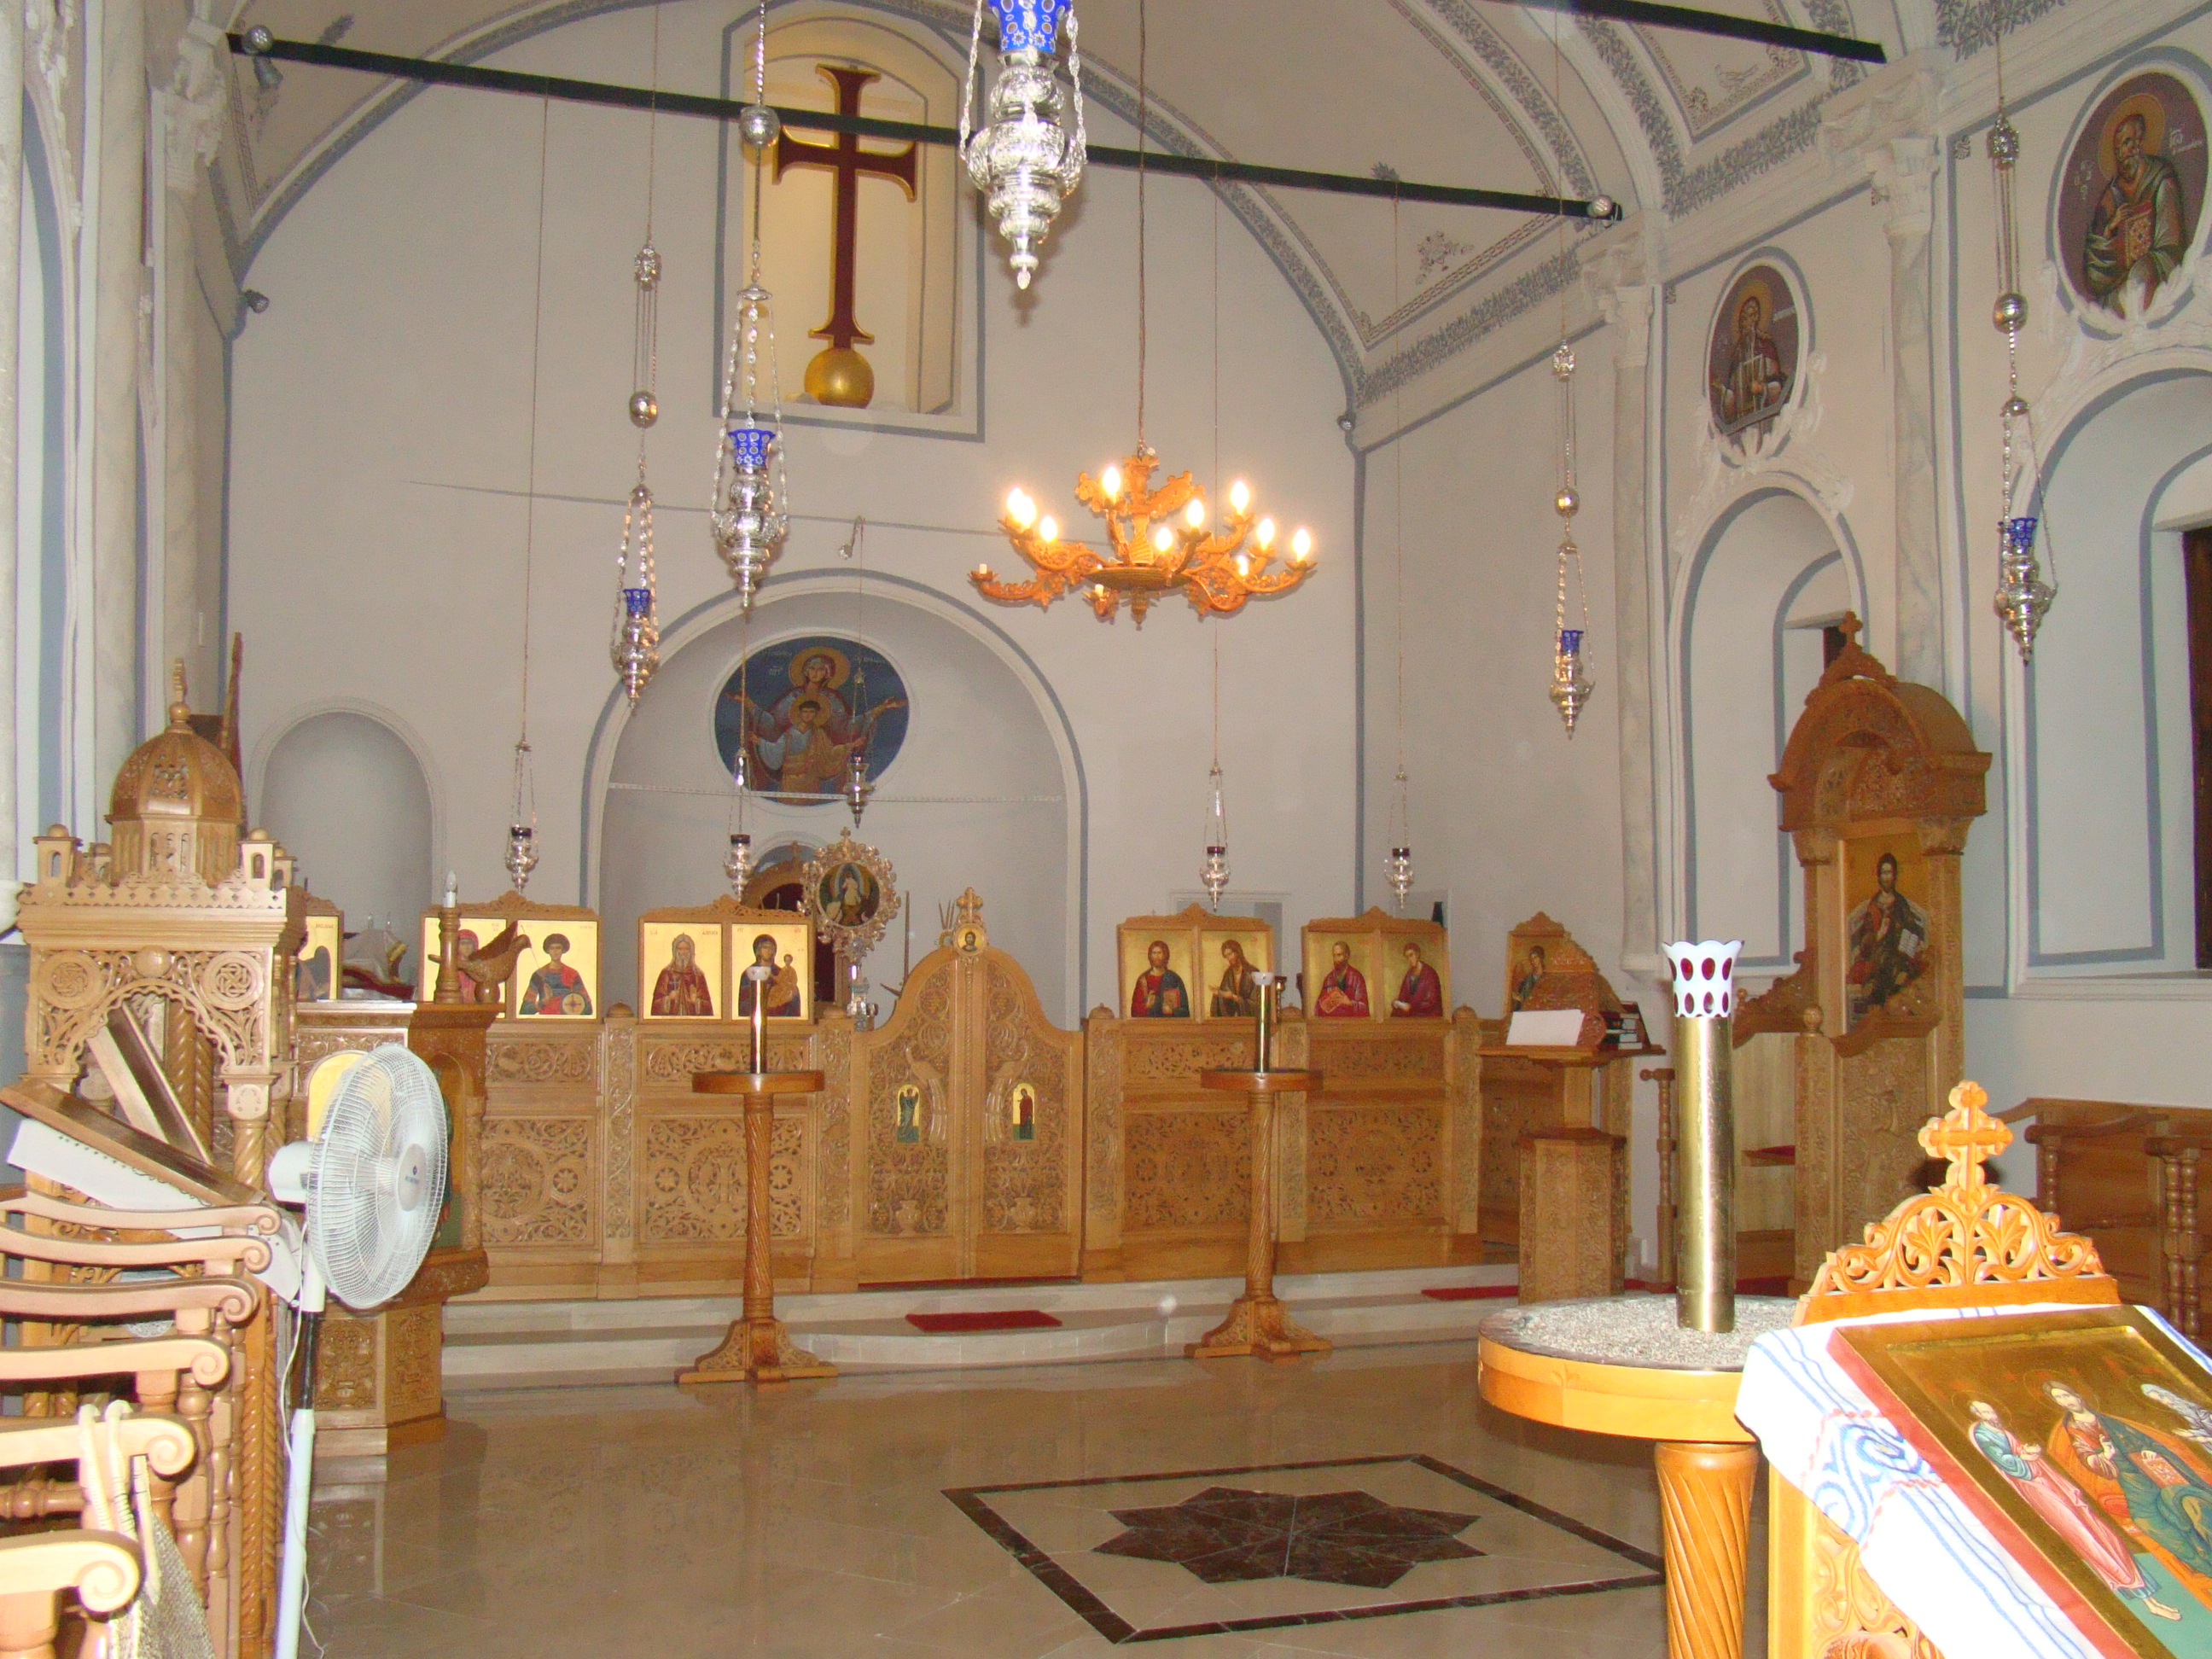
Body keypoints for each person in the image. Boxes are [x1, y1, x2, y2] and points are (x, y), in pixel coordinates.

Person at [1968, 1400, 2180, 1619]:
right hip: (2037, 1490)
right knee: (2087, 1537)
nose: (1991, 1414)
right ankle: (2147, 1601)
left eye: (1991, 1410)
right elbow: (2010, 1464)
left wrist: (2029, 1453)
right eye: (1984, 1412)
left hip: (2049, 1483)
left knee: (2102, 1534)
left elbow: (2020, 1456)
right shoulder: (1984, 1435)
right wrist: (2025, 1457)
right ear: (1977, 1415)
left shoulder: (2003, 1432)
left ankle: (2151, 1600)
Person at [2044, 1379, 2212, 1593]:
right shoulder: (2075, 1430)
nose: (2065, 1401)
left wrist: (2149, 1449)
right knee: (2146, 1521)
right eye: (2059, 1398)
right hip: (2131, 1481)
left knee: (2187, 1503)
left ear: (2077, 1395)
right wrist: (2106, 1455)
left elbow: (2147, 1442)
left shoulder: (2110, 1421)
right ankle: (2205, 1565)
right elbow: (2088, 1459)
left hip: (2153, 1472)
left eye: (2066, 1395)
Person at [2086, 103, 2190, 312]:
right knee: (2108, 306)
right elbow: (2095, 268)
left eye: (2131, 142)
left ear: (2141, 141)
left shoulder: (2160, 179)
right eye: (2121, 146)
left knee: (2138, 281)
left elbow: (2171, 243)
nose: (2127, 151)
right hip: (2122, 280)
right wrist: (2111, 228)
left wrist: (2146, 264)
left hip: (2155, 268)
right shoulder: (2112, 194)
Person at [1846, 850, 1928, 1023]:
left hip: (1900, 955)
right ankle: (1880, 1016)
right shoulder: (1873, 907)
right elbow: (1865, 945)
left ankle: (1893, 1016)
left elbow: (1912, 929)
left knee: (1900, 968)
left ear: (1895, 875)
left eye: (1890, 873)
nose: (1887, 877)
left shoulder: (1901, 904)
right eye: (1884, 873)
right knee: (1883, 965)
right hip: (1877, 955)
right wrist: (1879, 934)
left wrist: (1911, 941)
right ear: (1879, 875)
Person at [1714, 290, 1788, 428]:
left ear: (1756, 318)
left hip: (1764, 406)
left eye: (1748, 317)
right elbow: (1733, 391)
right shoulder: (1737, 354)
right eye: (1742, 318)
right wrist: (1722, 390)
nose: (1744, 323)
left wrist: (1761, 387)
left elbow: (1777, 380)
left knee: (1775, 388)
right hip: (1743, 413)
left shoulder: (1766, 344)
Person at [519, 933, 591, 1016]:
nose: (555, 951)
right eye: (552, 948)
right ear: (548, 950)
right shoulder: (538, 975)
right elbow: (525, 1010)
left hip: (567, 1020)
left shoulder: (573, 974)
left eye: (558, 948)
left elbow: (587, 1008)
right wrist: (544, 1001)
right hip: (545, 1020)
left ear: (563, 950)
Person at [736, 932, 802, 1017]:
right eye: (765, 947)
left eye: (771, 948)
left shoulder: (781, 972)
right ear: (758, 951)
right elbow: (745, 1002)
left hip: (781, 1013)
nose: (768, 950)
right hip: (758, 1013)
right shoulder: (749, 973)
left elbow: (788, 985)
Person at [650, 933, 715, 1018]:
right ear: (674, 951)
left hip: (693, 1023)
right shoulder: (666, 973)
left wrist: (696, 1001)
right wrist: (669, 998)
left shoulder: (698, 975)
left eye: (686, 949)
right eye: (680, 949)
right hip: (670, 1022)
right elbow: (655, 1005)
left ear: (691, 951)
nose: (683, 952)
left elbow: (708, 1008)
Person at [1130, 940, 1189, 1018]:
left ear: (1165, 955)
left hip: (1170, 1024)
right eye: (1154, 953)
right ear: (1150, 956)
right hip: (1149, 1024)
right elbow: (1134, 1012)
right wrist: (1146, 1006)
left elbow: (1185, 1011)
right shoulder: (1143, 980)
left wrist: (1173, 1011)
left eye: (1159, 953)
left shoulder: (1174, 979)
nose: (1157, 957)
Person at [1313, 940, 1370, 1018]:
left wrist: (1349, 1003)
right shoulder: (1329, 979)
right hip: (1333, 1023)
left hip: (1352, 1023)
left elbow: (1364, 1008)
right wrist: (1327, 1003)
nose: (1336, 959)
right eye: (1334, 956)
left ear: (1346, 956)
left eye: (1339, 955)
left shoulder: (1356, 977)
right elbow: (1318, 1008)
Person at [1210, 939, 1260, 1017]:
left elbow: (1257, 1003)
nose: (1229, 958)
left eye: (1230, 954)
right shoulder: (1228, 974)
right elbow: (1224, 999)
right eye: (1226, 956)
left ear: (1238, 953)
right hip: (1232, 1020)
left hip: (1249, 1020)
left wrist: (1234, 997)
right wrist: (1219, 994)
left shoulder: (1253, 973)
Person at [1391, 941, 1443, 1017]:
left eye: (1411, 955)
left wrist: (1411, 1007)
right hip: (1412, 1015)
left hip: (1427, 1016)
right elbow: (1403, 996)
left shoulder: (1430, 974)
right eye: (1407, 957)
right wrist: (1397, 1003)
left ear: (1417, 954)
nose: (1410, 959)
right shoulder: (1409, 975)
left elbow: (1433, 1001)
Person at [1511, 945, 1546, 1012]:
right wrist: (1518, 998)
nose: (1533, 961)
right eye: (1531, 959)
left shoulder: (1547, 977)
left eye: (1535, 958)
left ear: (1541, 958)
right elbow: (1524, 996)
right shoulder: (1528, 979)